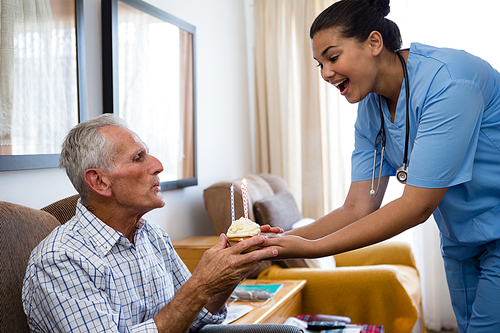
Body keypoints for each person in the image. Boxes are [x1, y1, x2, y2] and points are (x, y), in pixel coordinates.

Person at [260, 0, 500, 332]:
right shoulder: (370, 109)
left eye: (332, 57)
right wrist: (278, 242)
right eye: (320, 64)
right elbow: (358, 206)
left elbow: (416, 206)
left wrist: (310, 247)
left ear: (374, 43)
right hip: (459, 237)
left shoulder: (449, 80)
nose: (326, 73)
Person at [22, 114, 279, 332]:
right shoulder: (60, 260)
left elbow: (195, 317)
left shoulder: (153, 235)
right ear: (100, 182)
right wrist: (200, 284)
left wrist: (231, 271)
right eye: (138, 157)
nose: (158, 165)